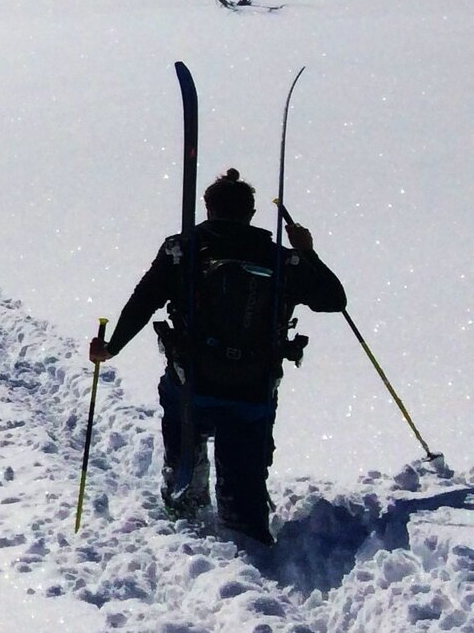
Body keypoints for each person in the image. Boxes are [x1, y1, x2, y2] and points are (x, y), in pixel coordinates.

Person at [89, 168, 345, 545]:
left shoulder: (181, 250)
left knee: (180, 422)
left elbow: (143, 303)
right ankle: (245, 519)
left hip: (192, 383)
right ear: (251, 213)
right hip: (253, 387)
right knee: (244, 463)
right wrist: (307, 253)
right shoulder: (279, 259)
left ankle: (186, 494)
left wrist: (111, 347)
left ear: (208, 209)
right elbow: (334, 300)